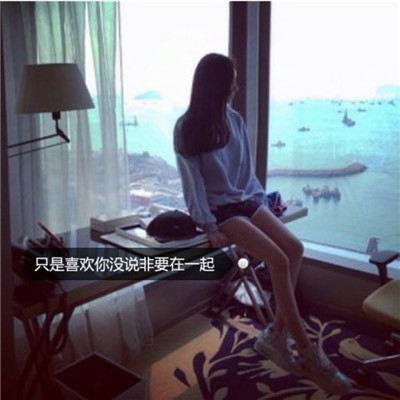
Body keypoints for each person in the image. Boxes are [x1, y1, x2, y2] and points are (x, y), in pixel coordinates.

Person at [173, 53, 352, 395]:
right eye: (231, 81)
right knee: (278, 260)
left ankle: (274, 336)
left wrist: (261, 204)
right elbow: (192, 184)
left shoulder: (234, 120)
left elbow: (246, 172)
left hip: (246, 200)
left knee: (294, 248)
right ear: (216, 85)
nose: (236, 87)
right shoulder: (187, 128)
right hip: (222, 212)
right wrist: (208, 226)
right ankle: (309, 353)